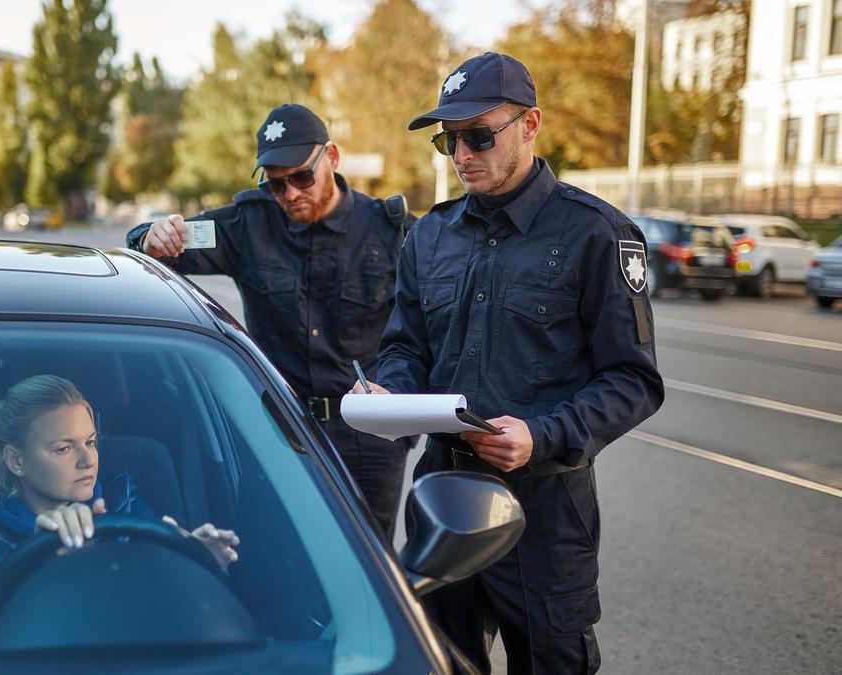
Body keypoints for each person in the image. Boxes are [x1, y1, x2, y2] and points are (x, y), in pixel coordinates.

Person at [351, 52, 664, 673]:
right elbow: (406, 346)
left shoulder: (595, 233)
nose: (462, 154)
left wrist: (542, 435)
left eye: (479, 136)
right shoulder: (432, 235)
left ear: (531, 124)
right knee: (440, 660)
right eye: (449, 140)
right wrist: (393, 394)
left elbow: (634, 380)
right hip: (442, 491)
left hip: (543, 510)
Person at [127, 103, 412, 536]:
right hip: (280, 428)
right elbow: (158, 246)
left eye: (301, 177)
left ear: (331, 158)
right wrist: (151, 235)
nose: (291, 194)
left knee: (369, 563)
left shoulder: (389, 231)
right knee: (281, 548)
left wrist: (402, 416)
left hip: (367, 434)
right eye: (276, 185)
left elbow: (425, 332)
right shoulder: (248, 224)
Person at [0, 374, 239, 643]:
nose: (88, 460)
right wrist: (41, 565)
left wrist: (198, 562)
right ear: (16, 460)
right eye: (63, 448)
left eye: (90, 442)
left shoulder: (119, 495)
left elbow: (161, 587)